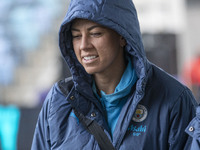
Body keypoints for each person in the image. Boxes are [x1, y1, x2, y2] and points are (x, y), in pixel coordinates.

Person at [31, 0, 199, 149]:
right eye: (76, 36)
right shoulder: (58, 100)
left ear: (122, 36)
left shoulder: (174, 99)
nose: (83, 45)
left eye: (95, 33)